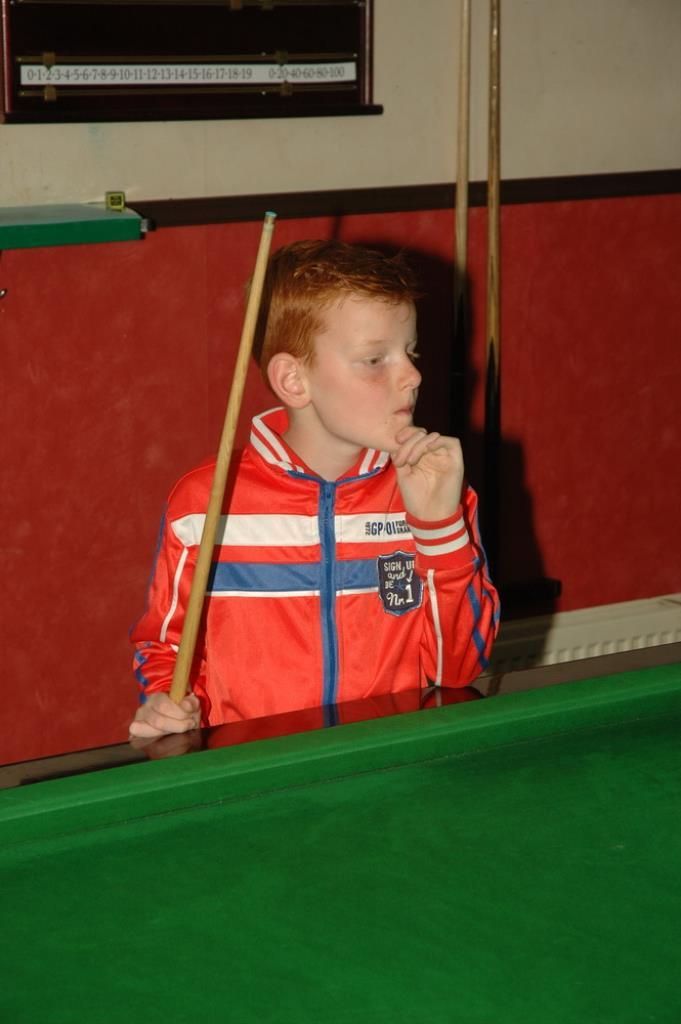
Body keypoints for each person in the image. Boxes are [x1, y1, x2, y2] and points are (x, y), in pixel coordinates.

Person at [129, 240, 499, 739]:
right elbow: (167, 651)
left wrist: (438, 528)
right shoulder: (205, 504)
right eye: (375, 360)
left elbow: (458, 671)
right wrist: (165, 705)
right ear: (293, 380)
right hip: (253, 783)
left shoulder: (433, 491)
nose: (412, 376)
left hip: (392, 772)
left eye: (410, 353)